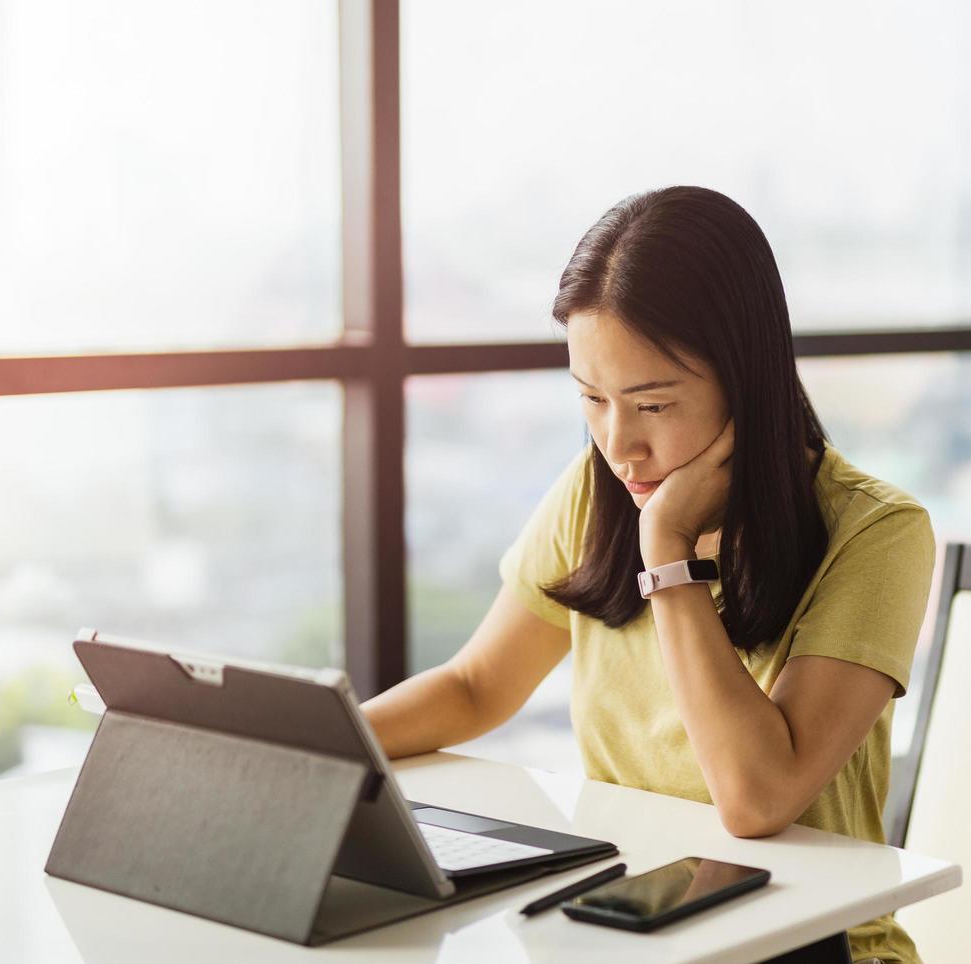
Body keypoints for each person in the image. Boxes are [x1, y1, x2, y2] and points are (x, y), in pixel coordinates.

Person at [361, 186, 934, 963]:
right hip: (633, 927)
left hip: (809, 942)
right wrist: (323, 750)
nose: (618, 443)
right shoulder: (595, 494)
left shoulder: (876, 534)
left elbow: (757, 798)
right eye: (592, 399)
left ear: (747, 381)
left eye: (653, 405)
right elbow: (474, 688)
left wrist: (667, 555)